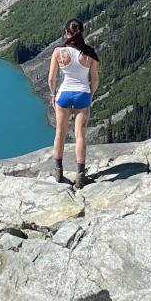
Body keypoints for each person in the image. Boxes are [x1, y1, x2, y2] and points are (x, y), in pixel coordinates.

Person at [48, 18, 99, 189]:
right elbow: (95, 79)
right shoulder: (89, 53)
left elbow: (51, 78)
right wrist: (90, 96)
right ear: (82, 33)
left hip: (64, 95)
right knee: (80, 136)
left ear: (67, 33)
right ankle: (80, 175)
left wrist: (53, 95)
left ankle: (58, 171)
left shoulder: (59, 52)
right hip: (82, 95)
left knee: (60, 133)